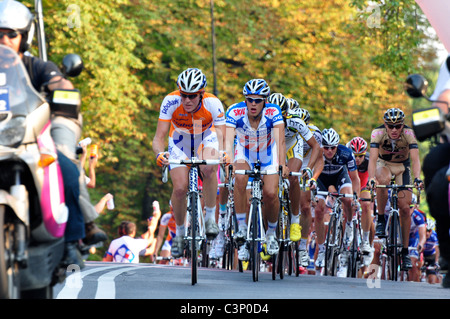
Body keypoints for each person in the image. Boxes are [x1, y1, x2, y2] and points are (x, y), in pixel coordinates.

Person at [0, 0, 86, 267]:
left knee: (66, 170)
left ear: (24, 37)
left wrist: (64, 88)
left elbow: (59, 82)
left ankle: (71, 242)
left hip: (27, 140)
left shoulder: (37, 66)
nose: (4, 40)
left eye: (11, 34)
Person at [152, 68, 226, 258]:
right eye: (184, 95)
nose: (187, 100)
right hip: (179, 141)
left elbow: (223, 136)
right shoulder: (170, 101)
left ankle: (210, 218)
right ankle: (179, 233)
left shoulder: (213, 103)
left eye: (192, 96)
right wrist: (160, 154)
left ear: (201, 94)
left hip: (205, 138)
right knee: (179, 188)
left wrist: (224, 153)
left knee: (209, 168)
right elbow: (158, 137)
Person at [225, 79, 288, 261]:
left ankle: (270, 233)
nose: (253, 104)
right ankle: (242, 227)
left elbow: (281, 141)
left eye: (257, 100)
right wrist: (229, 161)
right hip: (245, 152)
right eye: (250, 99)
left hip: (268, 154)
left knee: (270, 193)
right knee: (240, 179)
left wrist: (282, 164)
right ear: (245, 100)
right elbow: (228, 141)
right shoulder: (234, 111)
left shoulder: (273, 112)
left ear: (265, 101)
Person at [367, 108, 423, 271]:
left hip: (402, 167)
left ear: (402, 125)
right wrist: (371, 178)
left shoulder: (409, 134)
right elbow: (372, 159)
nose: (394, 130)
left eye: (398, 126)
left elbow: (415, 159)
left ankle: (405, 251)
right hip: (383, 164)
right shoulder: (377, 133)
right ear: (384, 125)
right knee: (382, 180)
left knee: (405, 209)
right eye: (390, 126)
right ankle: (381, 218)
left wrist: (418, 177)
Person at [267, 94, 320, 243]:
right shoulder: (261, 119)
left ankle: (295, 221)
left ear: (286, 113)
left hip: (291, 146)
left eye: (280, 116)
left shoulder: (295, 121)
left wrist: (309, 168)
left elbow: (315, 146)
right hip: (273, 146)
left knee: (292, 176)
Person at [313, 128, 360, 277]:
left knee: (347, 199)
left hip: (340, 176)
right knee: (319, 210)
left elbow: (355, 178)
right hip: (321, 179)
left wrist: (356, 198)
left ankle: (349, 225)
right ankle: (321, 250)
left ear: (337, 145)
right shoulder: (317, 152)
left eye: (332, 147)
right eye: (326, 147)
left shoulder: (346, 153)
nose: (329, 151)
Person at [421, 58, 450, 288]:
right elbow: (442, 99)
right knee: (432, 161)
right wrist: (442, 111)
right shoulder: (449, 64)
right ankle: (447, 254)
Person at [293, 107, 324, 268]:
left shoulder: (315, 134)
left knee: (305, 206)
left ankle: (302, 247)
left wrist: (312, 176)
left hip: (306, 161)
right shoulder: (282, 126)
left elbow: (320, 160)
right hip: (288, 156)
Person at [346, 137, 375, 263]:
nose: (357, 159)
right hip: (350, 184)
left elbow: (374, 177)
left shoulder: (370, 160)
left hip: (363, 184)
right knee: (346, 206)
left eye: (360, 156)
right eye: (355, 155)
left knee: (366, 204)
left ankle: (364, 241)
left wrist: (372, 184)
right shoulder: (345, 158)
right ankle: (343, 239)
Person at [407, 195, 426, 281]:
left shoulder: (418, 216)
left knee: (412, 264)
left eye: (411, 207)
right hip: (399, 236)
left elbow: (422, 235)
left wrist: (421, 244)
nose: (409, 210)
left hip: (413, 238)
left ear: (414, 206)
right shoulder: (398, 213)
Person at [423, 220, 440, 284]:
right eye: (426, 231)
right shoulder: (419, 233)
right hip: (422, 255)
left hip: (431, 256)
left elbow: (437, 250)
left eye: (429, 231)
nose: (427, 233)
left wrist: (436, 262)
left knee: (432, 278)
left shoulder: (434, 236)